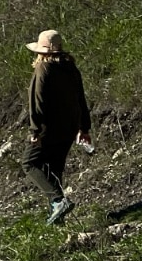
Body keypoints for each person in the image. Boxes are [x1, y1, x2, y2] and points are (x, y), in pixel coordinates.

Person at [24, 29, 92, 225]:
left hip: (48, 127)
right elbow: (81, 98)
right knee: (54, 169)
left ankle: (58, 201)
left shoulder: (43, 69)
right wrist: (84, 128)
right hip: (69, 127)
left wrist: (35, 130)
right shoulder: (70, 67)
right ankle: (58, 217)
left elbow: (36, 102)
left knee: (30, 162)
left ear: (41, 51)